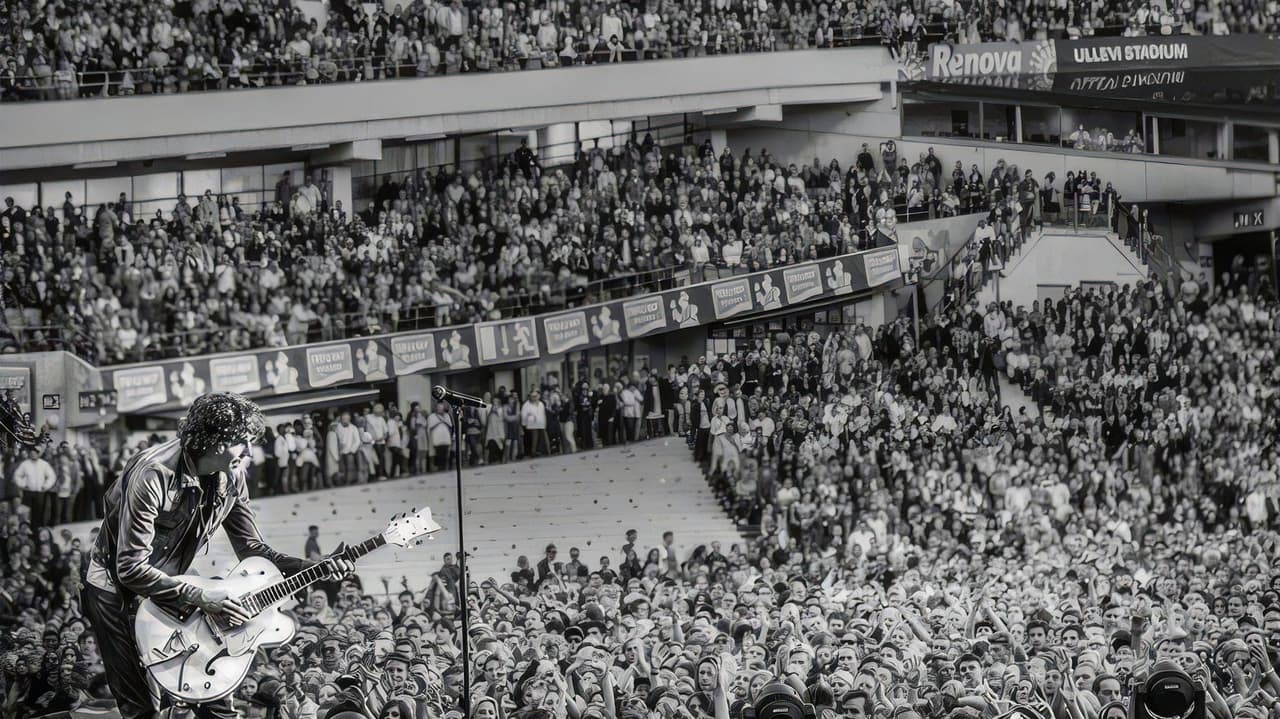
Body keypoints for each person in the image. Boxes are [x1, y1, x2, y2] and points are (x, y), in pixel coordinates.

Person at [79, 392, 354, 719]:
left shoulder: (233, 476)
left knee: (213, 695)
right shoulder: (152, 475)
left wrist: (315, 567)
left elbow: (253, 550)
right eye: (244, 443)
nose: (250, 452)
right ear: (217, 442)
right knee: (144, 708)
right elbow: (130, 568)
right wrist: (198, 595)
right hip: (114, 590)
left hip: (173, 586)